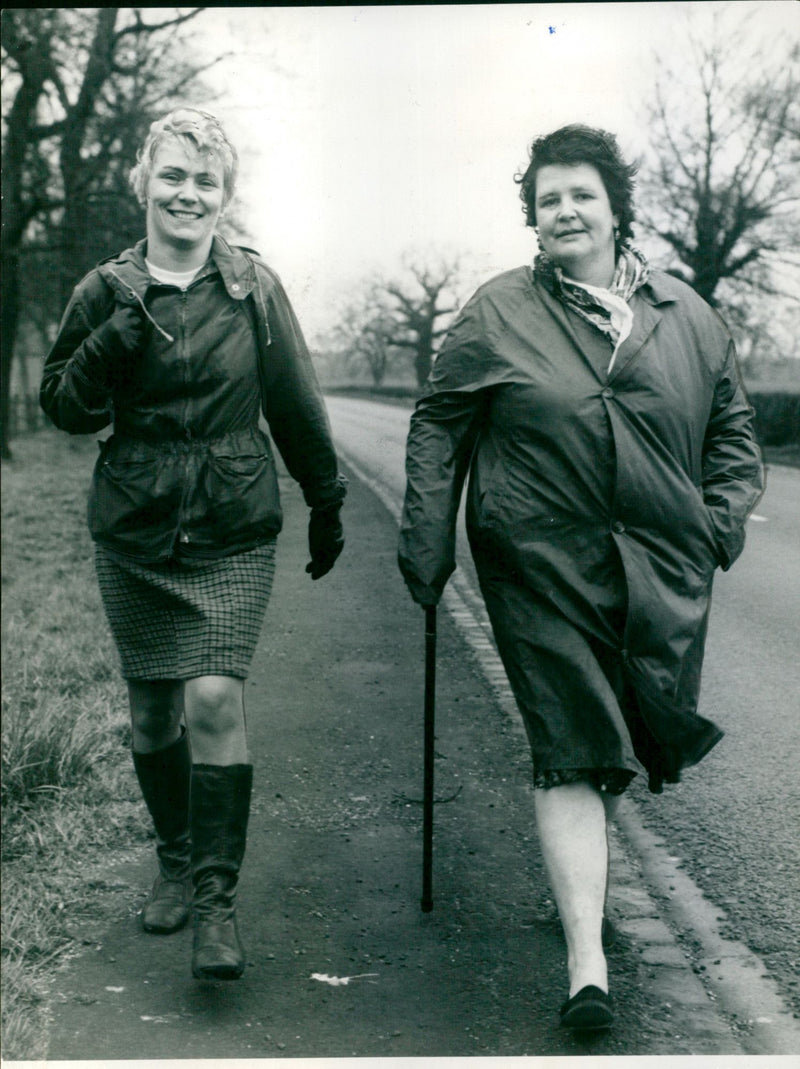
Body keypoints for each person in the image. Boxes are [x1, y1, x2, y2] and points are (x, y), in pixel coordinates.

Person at [398, 124, 764, 1030]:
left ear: (614, 210)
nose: (563, 210)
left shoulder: (687, 315)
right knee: (572, 743)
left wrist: (713, 528)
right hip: (537, 563)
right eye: (547, 198)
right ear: (532, 217)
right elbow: (440, 423)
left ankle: (581, 891)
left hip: (657, 572)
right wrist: (426, 538)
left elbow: (733, 434)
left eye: (580, 195)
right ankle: (586, 964)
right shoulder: (497, 311)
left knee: (619, 738)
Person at [40, 108, 347, 982]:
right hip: (134, 528)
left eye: (205, 180)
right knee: (150, 711)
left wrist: (325, 498)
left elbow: (294, 401)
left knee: (213, 700)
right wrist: (111, 340)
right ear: (144, 183)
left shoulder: (254, 288)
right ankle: (175, 859)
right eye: (173, 175)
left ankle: (216, 901)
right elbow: (62, 405)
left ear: (225, 195)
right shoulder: (104, 288)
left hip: (229, 526)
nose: (187, 193)